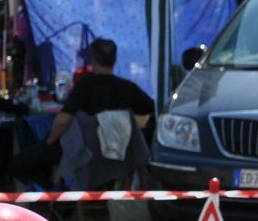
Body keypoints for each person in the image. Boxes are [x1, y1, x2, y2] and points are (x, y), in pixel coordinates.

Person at [11, 38, 153, 192]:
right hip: (120, 158)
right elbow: (150, 108)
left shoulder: (85, 86)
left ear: (93, 59)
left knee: (17, 164)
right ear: (115, 59)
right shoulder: (128, 88)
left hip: (85, 156)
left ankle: (54, 194)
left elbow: (63, 121)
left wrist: (49, 142)